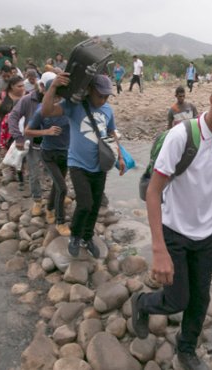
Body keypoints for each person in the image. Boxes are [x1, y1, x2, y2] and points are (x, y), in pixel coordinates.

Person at [131, 66, 212, 370]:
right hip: (173, 231)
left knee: (200, 300)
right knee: (177, 300)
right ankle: (141, 303)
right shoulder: (182, 136)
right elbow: (153, 191)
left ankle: (186, 349)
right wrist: (158, 249)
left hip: (206, 234)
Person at [42, 73, 126, 258]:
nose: (103, 100)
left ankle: (87, 238)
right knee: (85, 204)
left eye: (106, 96)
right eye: (100, 95)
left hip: (100, 166)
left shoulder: (108, 110)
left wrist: (120, 157)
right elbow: (47, 111)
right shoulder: (74, 106)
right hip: (78, 164)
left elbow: (112, 133)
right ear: (89, 91)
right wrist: (53, 87)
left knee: (95, 206)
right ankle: (75, 235)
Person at [24, 75, 71, 236]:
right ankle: (60, 222)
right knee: (62, 188)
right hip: (48, 153)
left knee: (57, 185)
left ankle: (50, 208)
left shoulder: (69, 107)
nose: (58, 99)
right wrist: (47, 132)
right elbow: (28, 131)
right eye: (55, 95)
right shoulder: (41, 111)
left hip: (65, 153)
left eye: (60, 96)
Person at [7, 72, 57, 216]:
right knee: (35, 174)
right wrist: (18, 138)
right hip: (34, 143)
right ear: (41, 86)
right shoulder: (28, 100)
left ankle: (58, 196)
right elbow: (13, 117)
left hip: (54, 143)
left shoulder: (58, 99)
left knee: (57, 173)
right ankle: (37, 200)